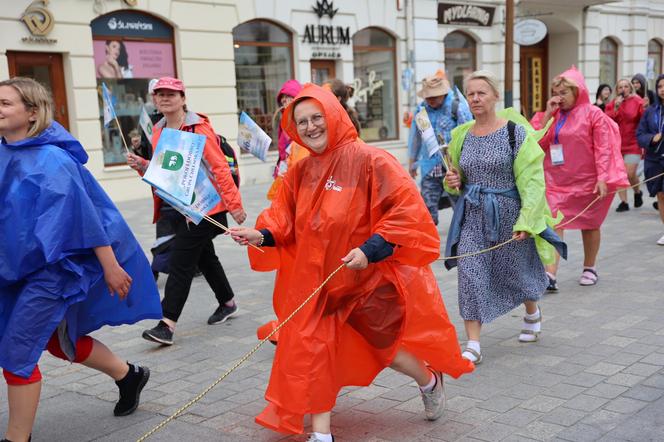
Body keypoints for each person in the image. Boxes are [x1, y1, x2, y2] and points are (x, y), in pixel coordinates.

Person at [229, 84, 473, 442]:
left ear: (333, 115)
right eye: (302, 121)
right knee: (315, 350)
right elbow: (284, 220)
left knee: (385, 350)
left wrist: (369, 250)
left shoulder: (371, 161)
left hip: (365, 281)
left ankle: (428, 380)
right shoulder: (298, 171)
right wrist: (261, 236)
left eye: (317, 118)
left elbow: (405, 211)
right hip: (316, 284)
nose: (311, 127)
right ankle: (321, 433)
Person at [0, 77, 162, 442]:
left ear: (31, 112)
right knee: (59, 342)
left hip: (54, 270)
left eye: (6, 103)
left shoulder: (53, 161)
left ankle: (16, 437)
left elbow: (86, 218)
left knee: (18, 351)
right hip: (15, 268)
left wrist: (110, 266)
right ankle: (129, 375)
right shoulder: (3, 152)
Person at [443, 71, 565, 365]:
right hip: (472, 216)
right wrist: (452, 180)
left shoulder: (514, 132)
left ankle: (532, 312)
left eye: (481, 92)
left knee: (516, 271)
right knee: (470, 273)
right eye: (470, 93)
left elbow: (533, 181)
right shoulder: (461, 135)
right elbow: (456, 178)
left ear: (496, 96)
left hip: (510, 215)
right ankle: (473, 342)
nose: (475, 98)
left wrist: (526, 220)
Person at [126, 77, 247, 345]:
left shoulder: (197, 128)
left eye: (171, 94)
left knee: (180, 262)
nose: (165, 98)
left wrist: (235, 205)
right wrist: (142, 164)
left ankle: (167, 324)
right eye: (160, 95)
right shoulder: (158, 129)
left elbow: (219, 168)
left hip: (205, 207)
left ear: (183, 98)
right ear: (155, 99)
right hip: (180, 207)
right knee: (204, 256)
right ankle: (228, 303)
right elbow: (166, 169)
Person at [531, 66, 628, 288]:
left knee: (590, 224)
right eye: (556, 92)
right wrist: (546, 115)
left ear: (578, 91)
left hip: (588, 181)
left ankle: (589, 267)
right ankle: (550, 274)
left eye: (564, 92)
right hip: (556, 181)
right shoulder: (553, 115)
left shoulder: (594, 114)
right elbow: (534, 142)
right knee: (554, 223)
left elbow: (603, 147)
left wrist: (603, 177)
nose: (559, 97)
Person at [408, 71, 473, 225]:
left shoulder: (457, 107)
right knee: (427, 216)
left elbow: (468, 136)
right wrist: (412, 162)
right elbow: (415, 137)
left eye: (434, 97)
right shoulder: (421, 110)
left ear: (443, 94)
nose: (430, 100)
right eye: (427, 97)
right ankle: (429, 245)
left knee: (461, 212)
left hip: (454, 169)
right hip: (429, 168)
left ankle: (462, 243)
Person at [605, 79, 644, 212]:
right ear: (617, 90)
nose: (623, 89)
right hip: (617, 143)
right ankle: (624, 202)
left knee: (629, 173)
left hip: (633, 142)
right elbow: (607, 121)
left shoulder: (637, 101)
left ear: (630, 88)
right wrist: (615, 107)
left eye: (626, 86)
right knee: (619, 174)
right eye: (620, 87)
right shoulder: (613, 104)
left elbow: (643, 119)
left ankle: (637, 191)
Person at [637, 74, 664, 244]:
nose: (663, 89)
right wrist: (652, 138)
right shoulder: (650, 112)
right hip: (655, 160)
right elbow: (640, 134)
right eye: (660, 86)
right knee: (661, 195)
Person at [267, 79, 303, 200]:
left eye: (288, 96)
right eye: (282, 98)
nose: (284, 100)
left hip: (298, 174)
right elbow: (283, 149)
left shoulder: (302, 118)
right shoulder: (284, 120)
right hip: (285, 171)